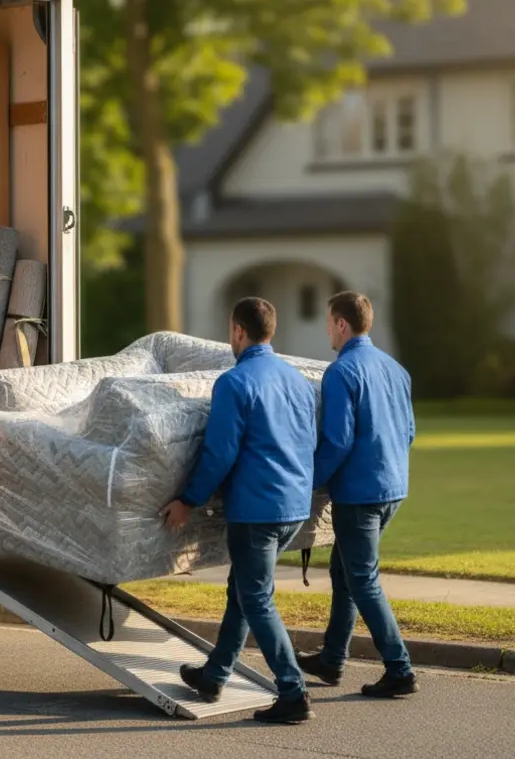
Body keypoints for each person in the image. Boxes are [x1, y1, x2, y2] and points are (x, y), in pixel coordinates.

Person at [159, 297, 319, 724]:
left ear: (238, 332)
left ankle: (293, 691)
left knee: (256, 597)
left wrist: (188, 500)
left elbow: (218, 454)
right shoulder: (298, 380)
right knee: (245, 590)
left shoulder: (234, 382)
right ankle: (215, 674)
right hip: (293, 506)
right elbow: (308, 442)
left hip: (257, 510)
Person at [297, 291, 419, 698]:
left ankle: (399, 669)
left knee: (362, 579)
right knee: (344, 571)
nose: (327, 331)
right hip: (393, 488)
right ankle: (332, 660)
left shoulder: (341, 372)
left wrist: (306, 484)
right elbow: (410, 433)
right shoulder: (396, 370)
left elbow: (336, 441)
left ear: (342, 325)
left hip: (359, 494)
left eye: (329, 323)